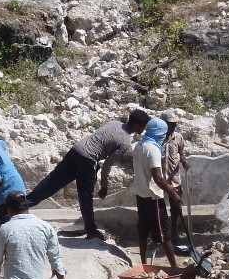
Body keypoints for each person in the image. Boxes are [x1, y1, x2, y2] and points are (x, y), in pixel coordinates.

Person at [25, 109, 150, 239]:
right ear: (136, 125)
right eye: (143, 125)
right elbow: (107, 164)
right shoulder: (125, 141)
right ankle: (91, 231)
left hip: (76, 150)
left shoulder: (115, 123)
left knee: (52, 182)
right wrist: (104, 186)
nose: (144, 128)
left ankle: (22, 204)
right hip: (88, 159)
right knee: (85, 197)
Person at [132, 118, 183, 268]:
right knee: (164, 233)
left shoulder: (139, 145)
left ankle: (143, 263)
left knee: (143, 229)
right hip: (153, 197)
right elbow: (158, 178)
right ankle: (174, 267)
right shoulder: (152, 149)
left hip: (141, 195)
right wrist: (173, 193)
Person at [161, 109, 189, 241]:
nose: (173, 126)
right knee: (159, 209)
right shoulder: (158, 137)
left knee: (176, 208)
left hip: (174, 180)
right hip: (159, 179)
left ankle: (174, 233)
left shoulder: (178, 137)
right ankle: (161, 235)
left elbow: (181, 153)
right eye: (170, 123)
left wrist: (184, 161)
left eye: (174, 124)